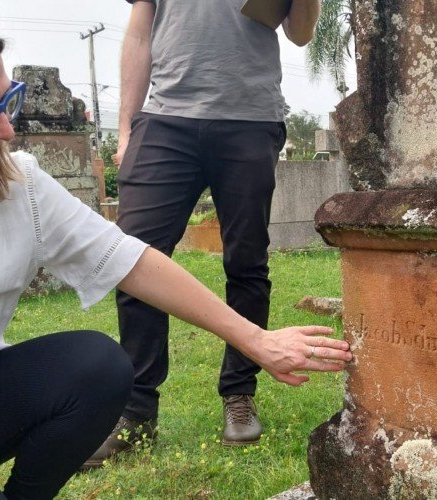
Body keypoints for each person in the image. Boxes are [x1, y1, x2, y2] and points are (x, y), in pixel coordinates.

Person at [0, 1, 351, 498]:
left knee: (96, 366)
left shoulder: (18, 186)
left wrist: (258, 341)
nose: (7, 131)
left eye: (6, 102)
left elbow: (131, 259)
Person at [87, 0, 322, 467]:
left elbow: (299, 34)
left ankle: (239, 393)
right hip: (166, 116)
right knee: (132, 259)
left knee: (247, 262)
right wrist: (125, 128)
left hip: (250, 117)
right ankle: (136, 413)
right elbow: (139, 33)